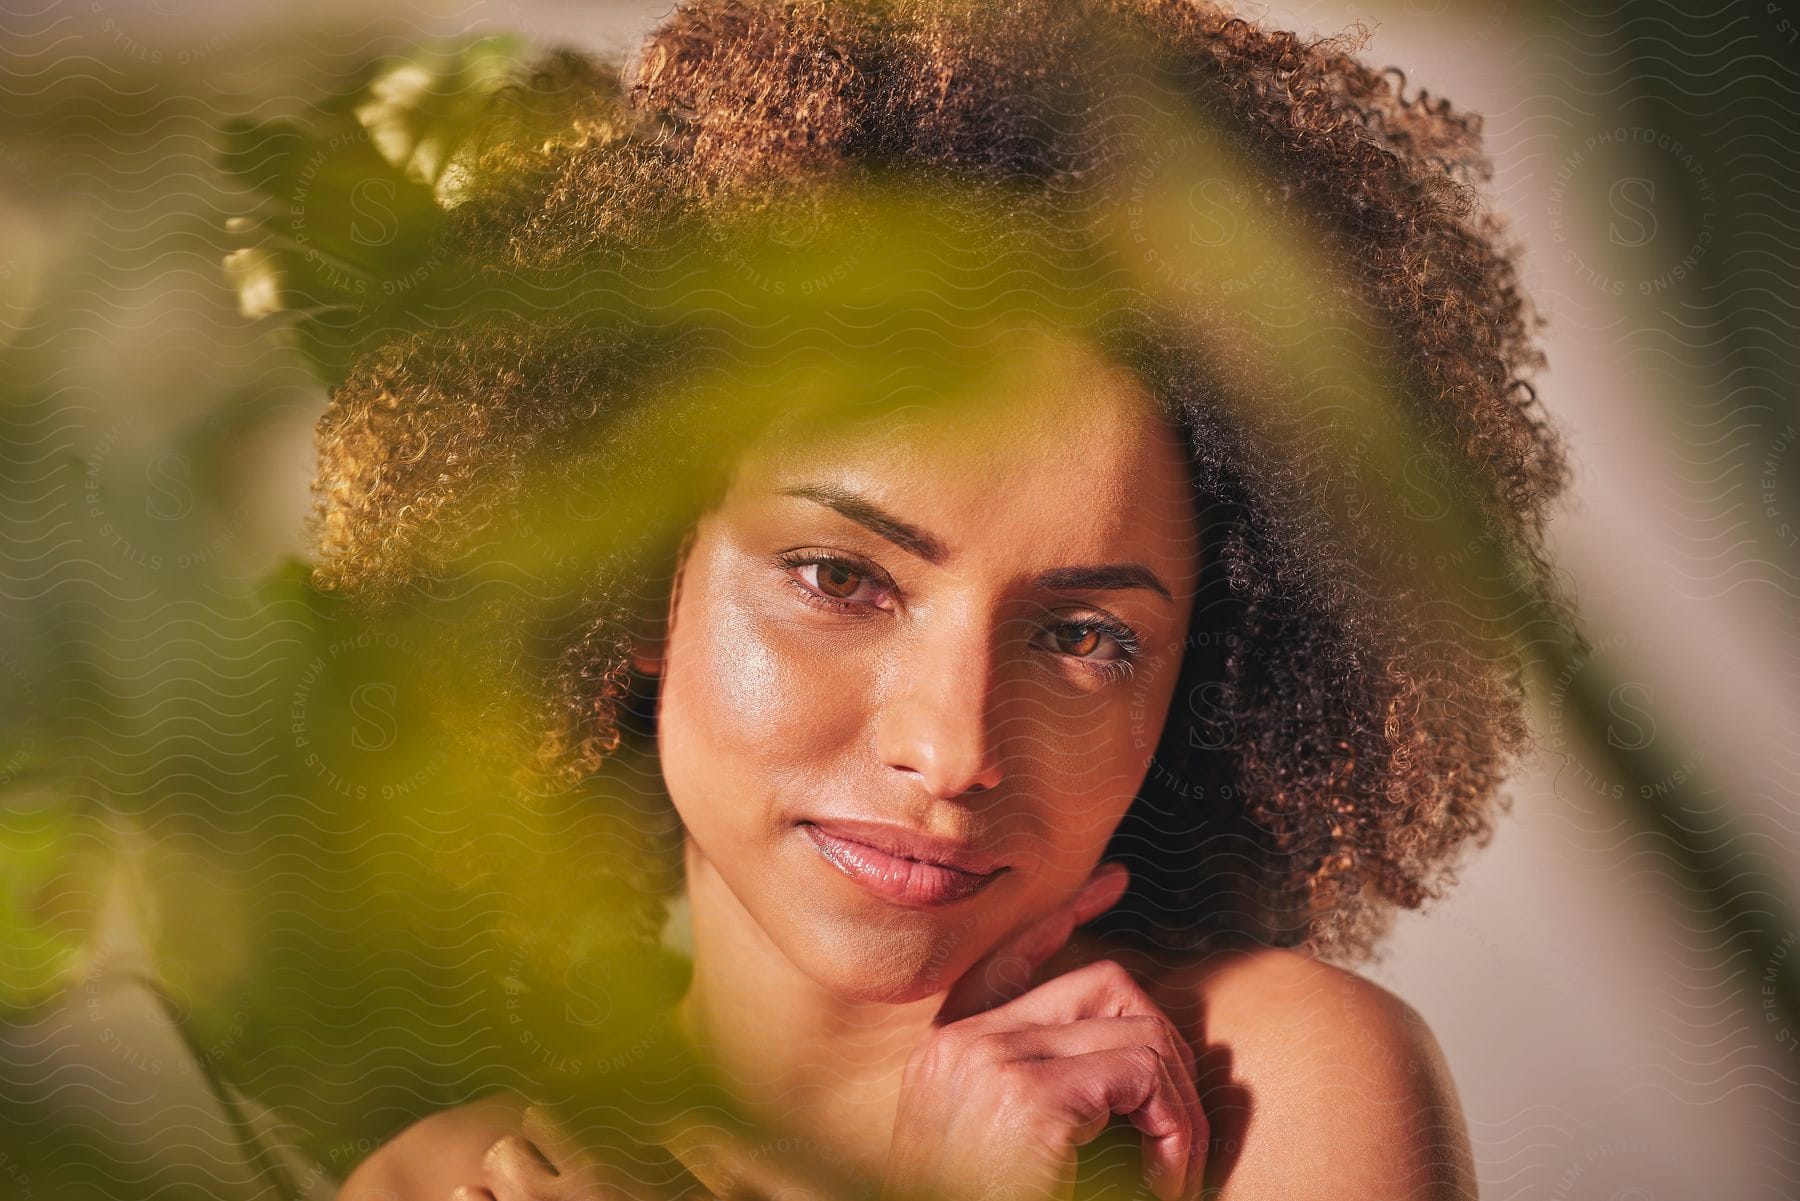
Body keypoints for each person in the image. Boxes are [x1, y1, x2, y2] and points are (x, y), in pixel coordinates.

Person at [322, 1, 1578, 1197]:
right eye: (838, 577)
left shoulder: (1267, 1079)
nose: (954, 748)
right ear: (640, 580)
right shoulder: (438, 1181)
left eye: (1085, 637)